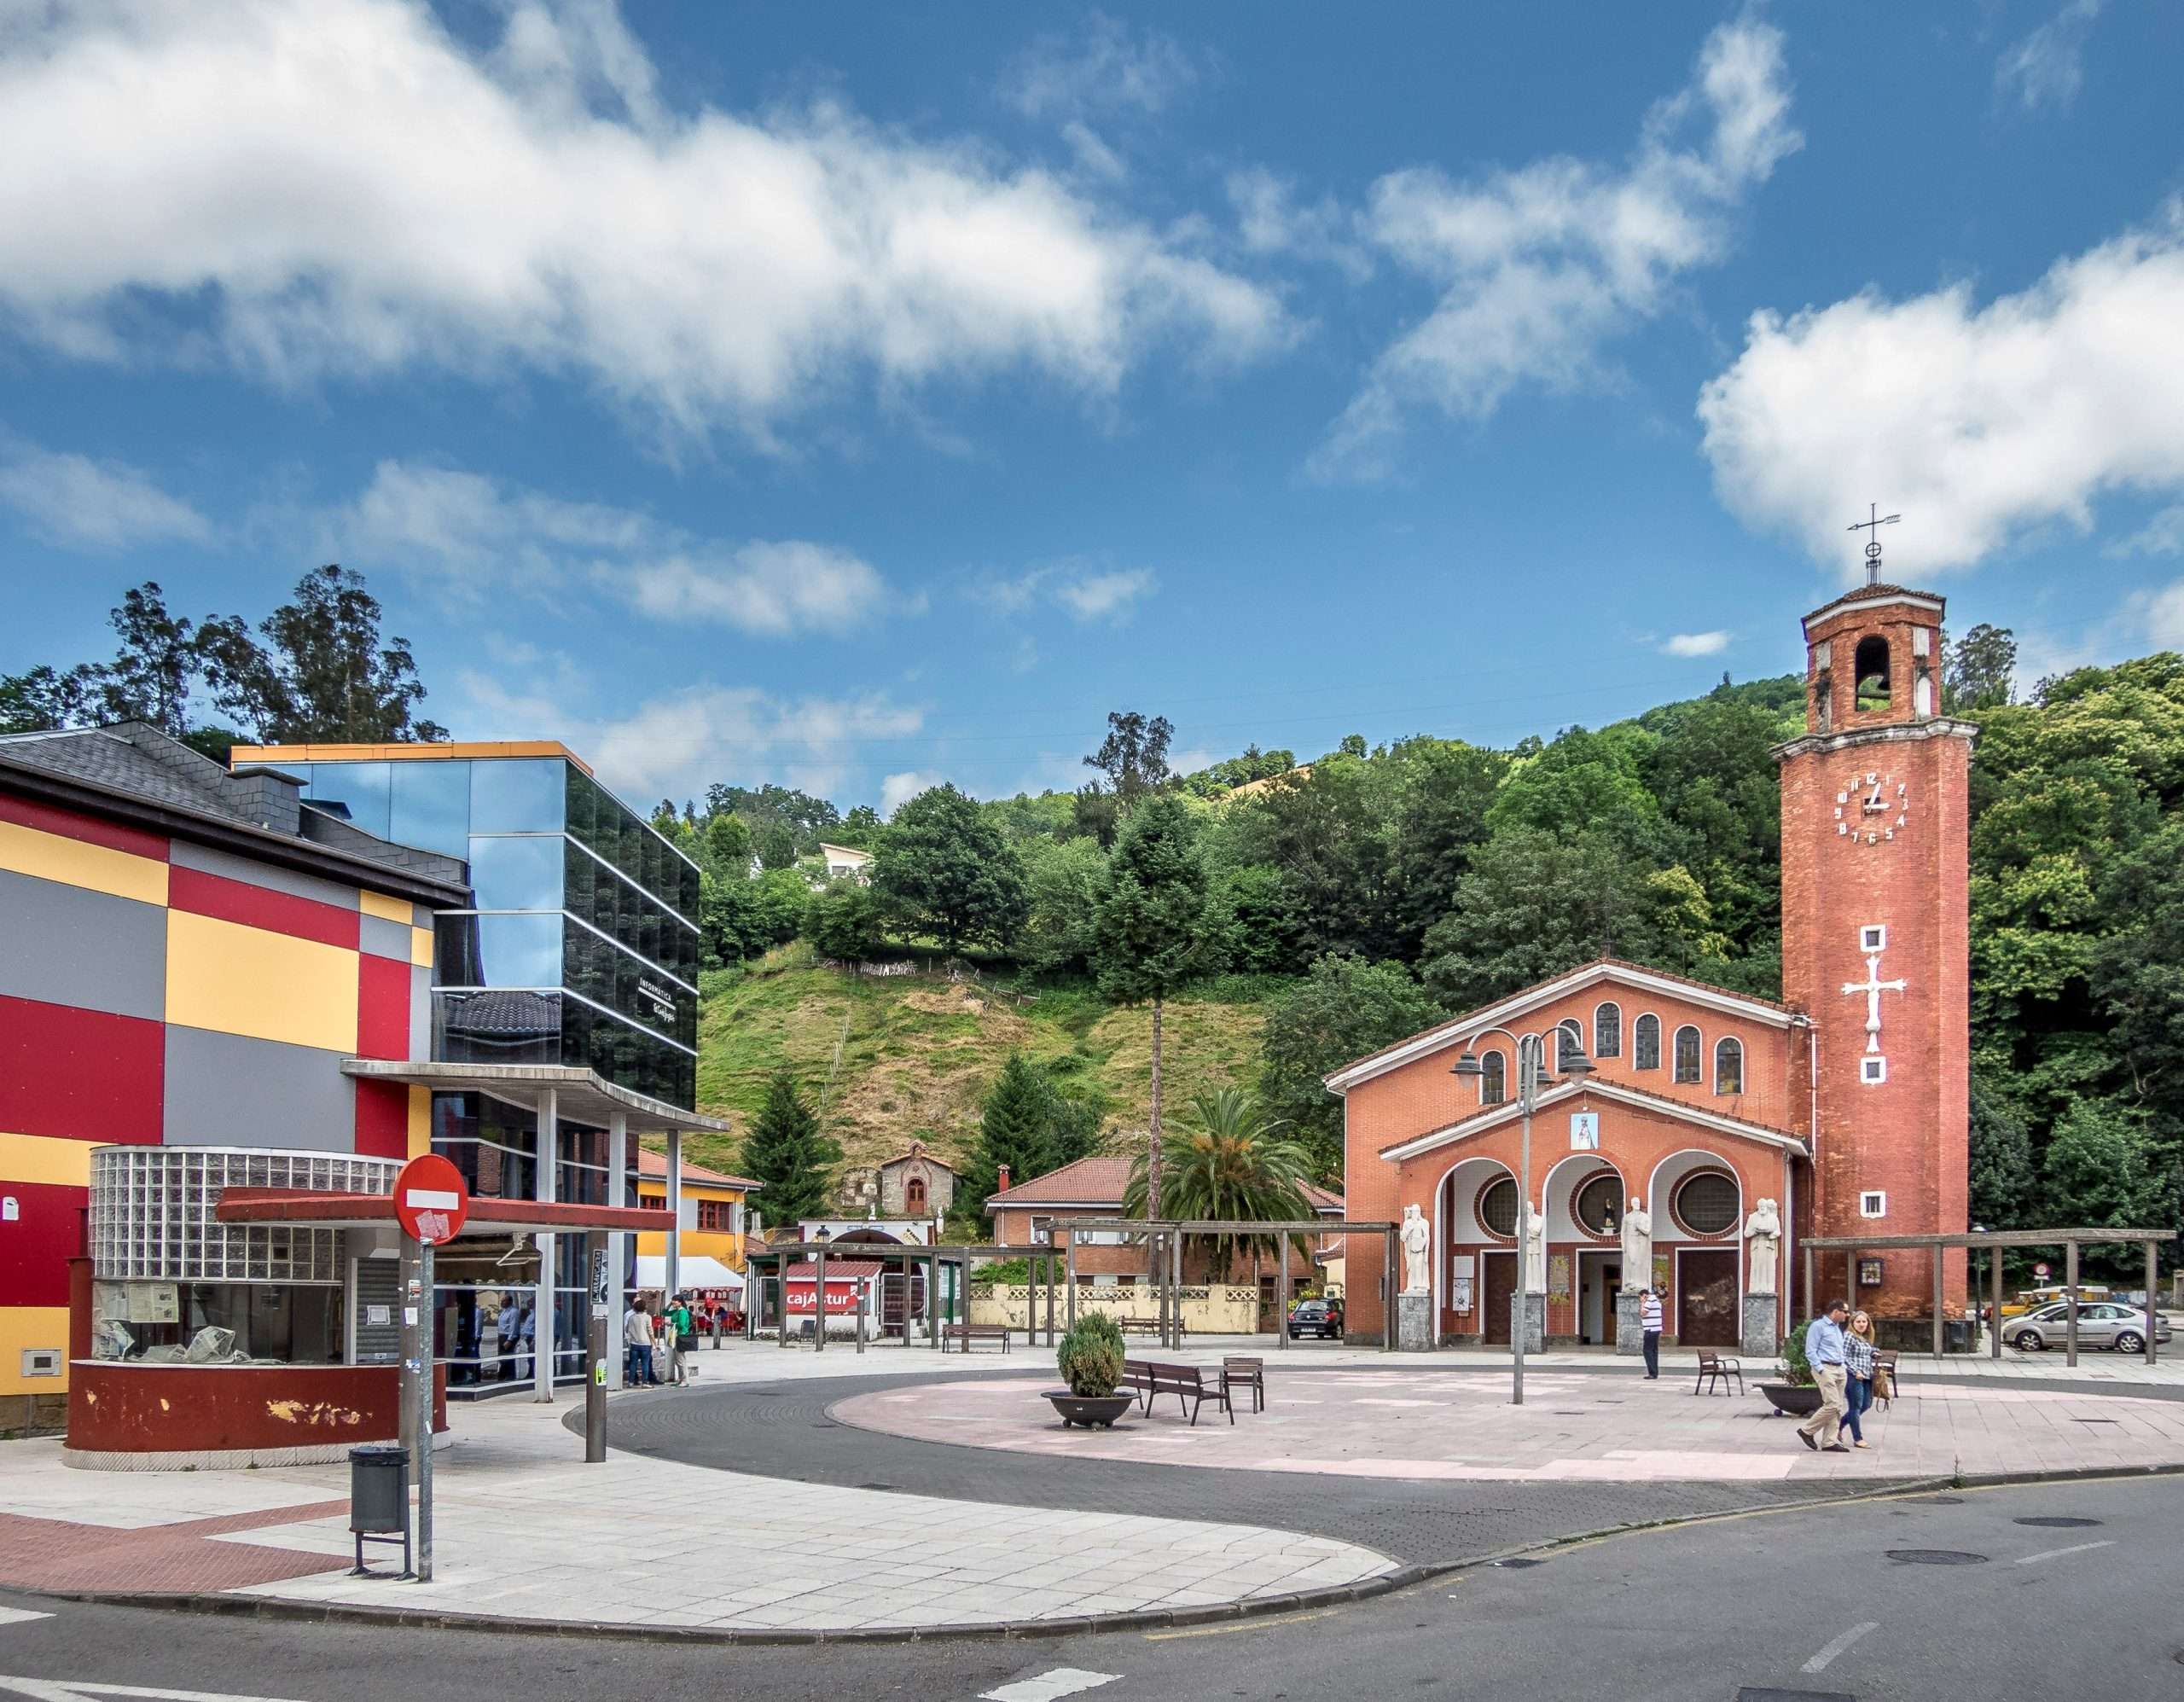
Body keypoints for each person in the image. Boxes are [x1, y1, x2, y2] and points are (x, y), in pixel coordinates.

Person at [1797, 1298, 1853, 1453]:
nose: (1847, 1315)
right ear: (1836, 1312)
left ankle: (1829, 1441)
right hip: (1825, 1367)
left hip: (1839, 1368)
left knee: (1838, 1407)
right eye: (1845, 1312)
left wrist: (1844, 1366)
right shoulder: (1818, 1326)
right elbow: (1810, 1350)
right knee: (1832, 1403)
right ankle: (1807, 1430)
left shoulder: (1836, 1328)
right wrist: (1821, 1369)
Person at [1843, 1310, 1878, 1449]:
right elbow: (1843, 1356)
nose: (1862, 1324)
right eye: (1858, 1322)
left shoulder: (1864, 1338)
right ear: (1852, 1323)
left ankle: (1839, 1426)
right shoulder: (1849, 1336)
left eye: (1864, 1321)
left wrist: (1874, 1351)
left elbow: (1866, 1351)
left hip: (1867, 1376)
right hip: (1854, 1376)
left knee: (1866, 1404)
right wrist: (1855, 1370)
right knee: (1855, 1406)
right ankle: (1858, 1438)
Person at [623, 1296, 653, 1387]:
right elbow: (650, 1331)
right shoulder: (647, 1317)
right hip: (645, 1344)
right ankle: (645, 1382)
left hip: (634, 1344)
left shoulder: (631, 1317)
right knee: (645, 1363)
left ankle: (631, 1382)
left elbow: (627, 1329)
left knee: (633, 1363)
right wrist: (655, 1343)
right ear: (644, 1307)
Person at [1640, 1284, 1664, 1380]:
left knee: (1647, 1351)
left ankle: (1652, 1373)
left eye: (1640, 1297)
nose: (1640, 1299)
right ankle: (1655, 1373)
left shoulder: (1650, 1300)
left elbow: (1643, 1313)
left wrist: (1642, 1303)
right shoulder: (1657, 1301)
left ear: (1644, 1295)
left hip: (1650, 1329)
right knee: (1654, 1351)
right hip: (1657, 1329)